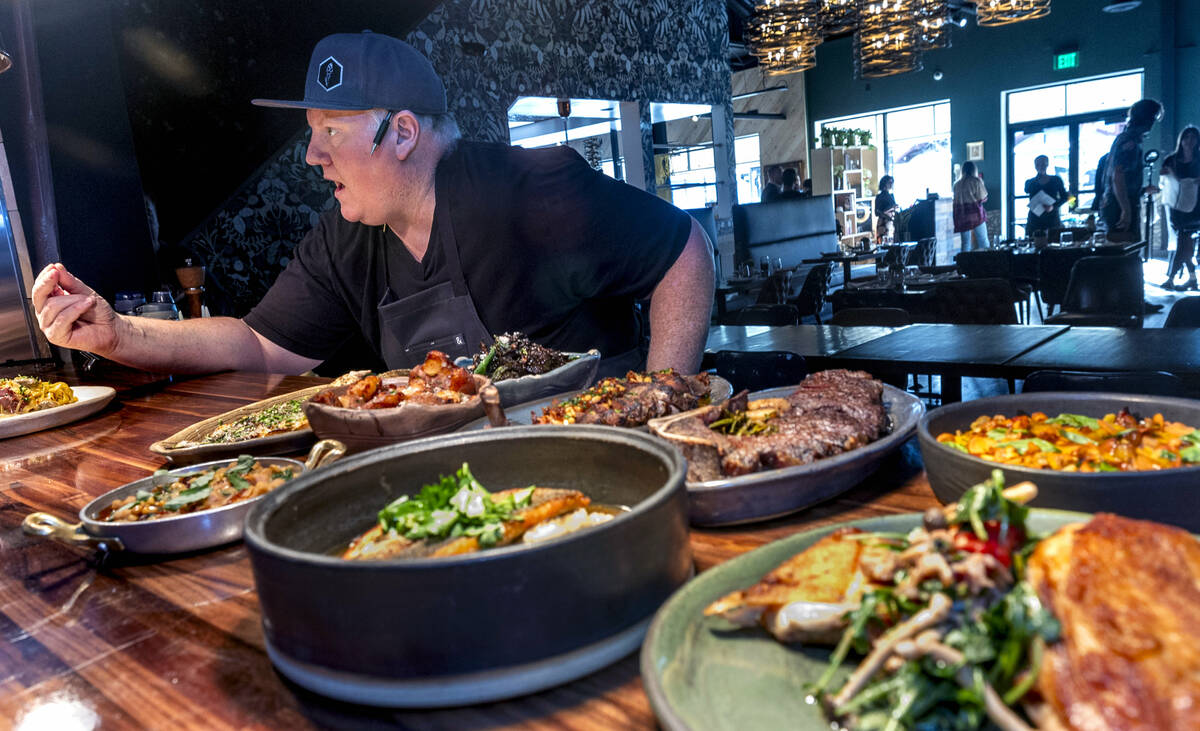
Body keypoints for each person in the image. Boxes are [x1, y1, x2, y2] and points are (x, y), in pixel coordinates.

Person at [33, 31, 714, 378]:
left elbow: (684, 248)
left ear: (404, 133)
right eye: (311, 135)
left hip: (600, 462)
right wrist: (119, 334)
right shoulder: (347, 238)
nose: (312, 156)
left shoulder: (527, 192)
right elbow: (258, 344)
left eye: (331, 131)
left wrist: (663, 406)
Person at [1100, 98, 1162, 237]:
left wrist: (1142, 190)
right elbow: (1118, 175)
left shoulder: (1123, 138)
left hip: (1114, 204)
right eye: (1153, 118)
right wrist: (1125, 209)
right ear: (1148, 119)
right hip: (1119, 207)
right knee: (1125, 251)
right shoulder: (1130, 142)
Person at [1160, 125, 1200, 290]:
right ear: (1181, 139)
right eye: (1186, 137)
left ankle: (1172, 278)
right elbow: (1164, 181)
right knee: (1184, 243)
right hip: (1177, 208)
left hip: (1196, 208)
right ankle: (1191, 279)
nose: (1189, 141)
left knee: (1184, 243)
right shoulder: (1172, 160)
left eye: (1193, 137)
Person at [1023, 155, 1069, 236]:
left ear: (1047, 164)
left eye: (1043, 164)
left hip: (1052, 217)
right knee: (1033, 241)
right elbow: (1026, 189)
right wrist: (1038, 178)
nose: (1041, 166)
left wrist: (1053, 206)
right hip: (1035, 218)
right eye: (1038, 164)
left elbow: (1065, 197)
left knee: (1053, 241)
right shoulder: (1030, 182)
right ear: (1035, 166)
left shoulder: (1056, 180)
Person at [953, 161, 989, 251]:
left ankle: (964, 264)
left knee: (965, 243)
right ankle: (987, 262)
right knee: (983, 241)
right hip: (976, 215)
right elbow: (983, 198)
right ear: (974, 169)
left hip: (962, 216)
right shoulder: (976, 181)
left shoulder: (956, 184)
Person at [874, 175, 899, 243]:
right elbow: (876, 212)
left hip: (891, 222)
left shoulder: (891, 196)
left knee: (891, 242)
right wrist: (890, 209)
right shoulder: (880, 196)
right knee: (883, 242)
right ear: (884, 183)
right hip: (883, 222)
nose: (891, 184)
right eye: (889, 182)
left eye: (892, 182)